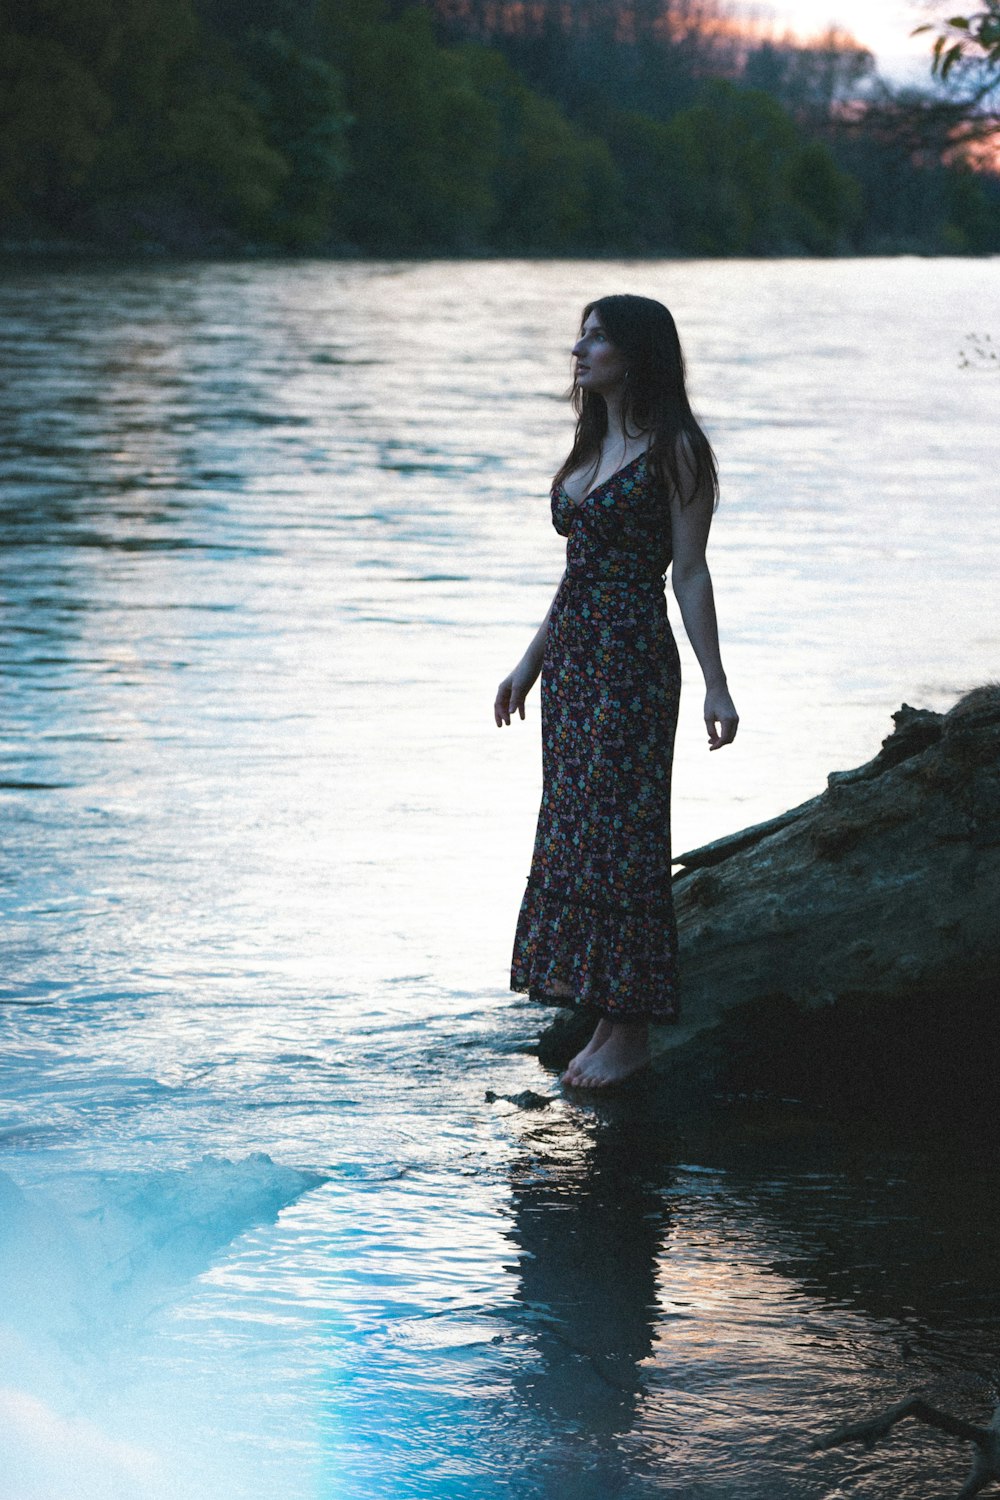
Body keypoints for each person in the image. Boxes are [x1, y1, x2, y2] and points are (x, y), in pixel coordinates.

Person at [494, 294, 738, 1089]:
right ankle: (605, 1013)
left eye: (597, 339)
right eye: (582, 335)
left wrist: (716, 684)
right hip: (573, 664)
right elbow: (576, 573)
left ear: (636, 355)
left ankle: (630, 1032)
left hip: (632, 661)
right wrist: (529, 662)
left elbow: (690, 572)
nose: (579, 349)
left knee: (624, 835)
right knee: (575, 830)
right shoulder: (593, 438)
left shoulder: (678, 449)